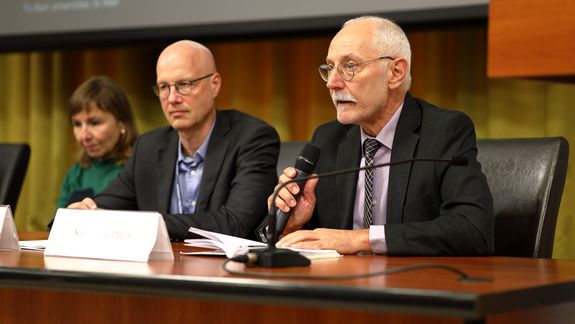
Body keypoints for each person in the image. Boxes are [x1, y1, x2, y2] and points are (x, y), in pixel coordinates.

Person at [270, 16, 494, 255]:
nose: (332, 83)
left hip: (414, 283)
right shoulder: (328, 139)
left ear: (395, 72)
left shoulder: (443, 131)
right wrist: (292, 224)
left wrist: (360, 240)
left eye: (350, 66)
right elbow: (320, 240)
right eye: (330, 68)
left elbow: (473, 229)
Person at [69, 40, 280, 241]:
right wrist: (84, 211)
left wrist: (146, 223)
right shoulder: (149, 147)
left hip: (225, 271)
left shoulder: (253, 138)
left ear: (214, 85)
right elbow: (107, 203)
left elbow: (234, 223)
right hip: (159, 270)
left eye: (184, 84)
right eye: (163, 87)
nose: (172, 98)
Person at [52, 76, 138, 227]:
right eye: (77, 124)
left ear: (121, 122)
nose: (84, 136)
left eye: (94, 123)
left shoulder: (136, 169)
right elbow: (55, 227)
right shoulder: (76, 173)